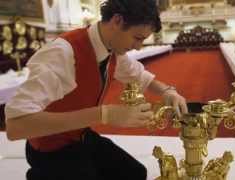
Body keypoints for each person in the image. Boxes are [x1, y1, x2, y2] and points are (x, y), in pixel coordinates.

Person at [5, 0, 188, 179]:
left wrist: (168, 91)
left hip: (81, 136)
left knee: (135, 173)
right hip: (49, 149)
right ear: (117, 21)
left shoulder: (113, 48)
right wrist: (105, 114)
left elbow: (142, 77)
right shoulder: (62, 52)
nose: (138, 46)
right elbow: (16, 126)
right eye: (137, 37)